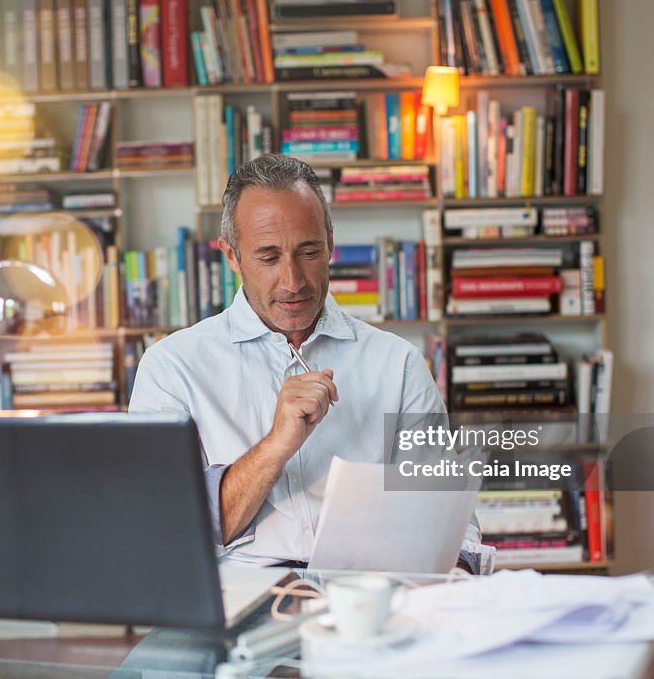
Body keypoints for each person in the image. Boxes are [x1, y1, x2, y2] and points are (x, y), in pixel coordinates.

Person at [129, 154, 482, 573]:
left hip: (368, 599)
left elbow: (445, 518)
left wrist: (455, 573)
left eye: (308, 251)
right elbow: (165, 532)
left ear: (331, 243)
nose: (293, 281)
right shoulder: (171, 368)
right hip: (237, 601)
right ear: (231, 256)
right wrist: (276, 445)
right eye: (268, 257)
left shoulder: (398, 364)